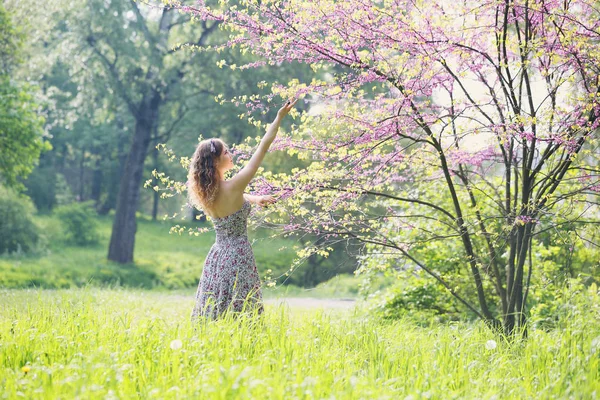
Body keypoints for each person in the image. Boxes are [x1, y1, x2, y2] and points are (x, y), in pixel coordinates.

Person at [188, 98, 299, 322]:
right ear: (216, 161)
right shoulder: (235, 185)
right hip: (238, 254)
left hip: (218, 255)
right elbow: (263, 148)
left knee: (217, 305)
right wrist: (278, 118)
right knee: (243, 308)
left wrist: (256, 198)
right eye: (226, 152)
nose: (231, 155)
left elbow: (233, 198)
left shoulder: (207, 193)